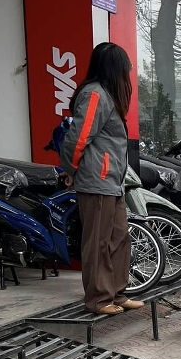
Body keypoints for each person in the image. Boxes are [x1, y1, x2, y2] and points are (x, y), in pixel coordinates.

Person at [61, 42, 144, 316]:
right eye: (125, 68)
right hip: (97, 182)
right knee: (98, 242)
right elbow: (77, 139)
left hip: (112, 183)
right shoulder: (94, 94)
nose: (128, 73)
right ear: (113, 68)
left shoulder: (107, 95)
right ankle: (98, 299)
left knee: (119, 239)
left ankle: (117, 293)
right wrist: (71, 170)